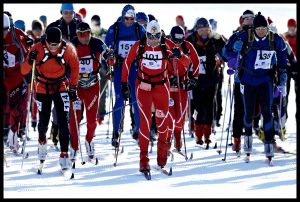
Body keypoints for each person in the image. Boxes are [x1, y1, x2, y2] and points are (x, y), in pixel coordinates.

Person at [121, 20, 190, 172]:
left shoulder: (167, 45)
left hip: (161, 88)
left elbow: (187, 62)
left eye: (156, 36)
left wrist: (179, 55)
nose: (153, 40)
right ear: (146, 34)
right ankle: (143, 159)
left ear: (160, 35)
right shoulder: (140, 45)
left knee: (162, 124)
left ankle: (162, 156)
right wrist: (124, 83)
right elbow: (127, 62)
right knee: (144, 125)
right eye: (150, 36)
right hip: (143, 87)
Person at [222, 12, 287, 163]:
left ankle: (269, 145)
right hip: (248, 80)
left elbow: (283, 54)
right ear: (254, 28)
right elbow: (226, 53)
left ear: (267, 28)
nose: (261, 31)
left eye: (263, 28)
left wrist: (282, 73)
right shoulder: (246, 36)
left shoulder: (273, 38)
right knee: (249, 112)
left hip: (265, 80)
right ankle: (247, 144)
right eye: (258, 29)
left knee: (267, 111)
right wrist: (234, 48)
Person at [21, 27, 79, 169]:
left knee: (64, 121)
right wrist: (30, 60)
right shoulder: (37, 48)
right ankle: (42, 142)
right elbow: (23, 70)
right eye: (51, 44)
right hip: (42, 86)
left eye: (56, 44)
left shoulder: (68, 50)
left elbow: (75, 67)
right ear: (46, 41)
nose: (53, 48)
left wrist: (73, 88)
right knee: (44, 121)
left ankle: (64, 153)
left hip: (61, 86)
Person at [69, 22, 114, 161]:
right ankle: (74, 148)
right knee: (73, 121)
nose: (84, 37)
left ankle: (89, 141)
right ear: (77, 35)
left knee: (91, 121)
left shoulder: (97, 43)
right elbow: (63, 61)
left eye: (86, 34)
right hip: (77, 87)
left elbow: (108, 53)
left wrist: (111, 60)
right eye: (80, 34)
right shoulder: (72, 45)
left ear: (90, 33)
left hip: (93, 86)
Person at [105, 4, 145, 146]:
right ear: (123, 16)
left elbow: (147, 45)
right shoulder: (115, 28)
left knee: (136, 100)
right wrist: (109, 55)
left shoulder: (138, 28)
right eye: (126, 18)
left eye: (131, 18)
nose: (129, 21)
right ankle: (116, 133)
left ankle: (140, 132)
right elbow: (106, 47)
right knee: (119, 100)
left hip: (134, 69)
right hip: (119, 68)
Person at [186, 17, 226, 147]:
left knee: (209, 106)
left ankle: (208, 134)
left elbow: (226, 52)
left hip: (212, 78)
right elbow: (182, 53)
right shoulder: (191, 40)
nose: (204, 32)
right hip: (196, 79)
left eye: (206, 29)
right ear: (197, 30)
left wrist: (222, 57)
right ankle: (198, 133)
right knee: (198, 106)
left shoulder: (216, 39)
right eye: (201, 30)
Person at [46, 3, 81, 146]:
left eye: (70, 12)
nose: (68, 15)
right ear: (61, 12)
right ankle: (56, 126)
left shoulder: (79, 25)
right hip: (59, 69)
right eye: (65, 12)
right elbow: (45, 42)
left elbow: (88, 41)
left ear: (74, 13)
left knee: (76, 103)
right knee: (61, 101)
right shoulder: (54, 26)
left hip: (75, 67)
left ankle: (72, 130)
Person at [223, 9, 255, 153]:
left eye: (251, 18)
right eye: (246, 18)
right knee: (239, 110)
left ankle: (250, 135)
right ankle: (237, 139)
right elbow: (225, 52)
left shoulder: (259, 34)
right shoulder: (237, 36)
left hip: (256, 78)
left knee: (253, 109)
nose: (249, 21)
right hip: (239, 78)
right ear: (242, 20)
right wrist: (233, 52)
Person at [168, 25, 200, 151]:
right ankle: (166, 140)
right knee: (170, 116)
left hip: (182, 84)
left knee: (180, 117)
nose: (177, 43)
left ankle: (177, 135)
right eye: (175, 40)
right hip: (168, 85)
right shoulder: (166, 46)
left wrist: (194, 78)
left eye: (180, 40)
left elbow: (195, 62)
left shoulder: (187, 46)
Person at [3, 13, 30, 152]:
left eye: (5, 29)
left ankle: (14, 136)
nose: (3, 33)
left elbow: (29, 49)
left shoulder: (16, 34)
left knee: (16, 108)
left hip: (16, 76)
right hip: (4, 75)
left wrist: (29, 67)